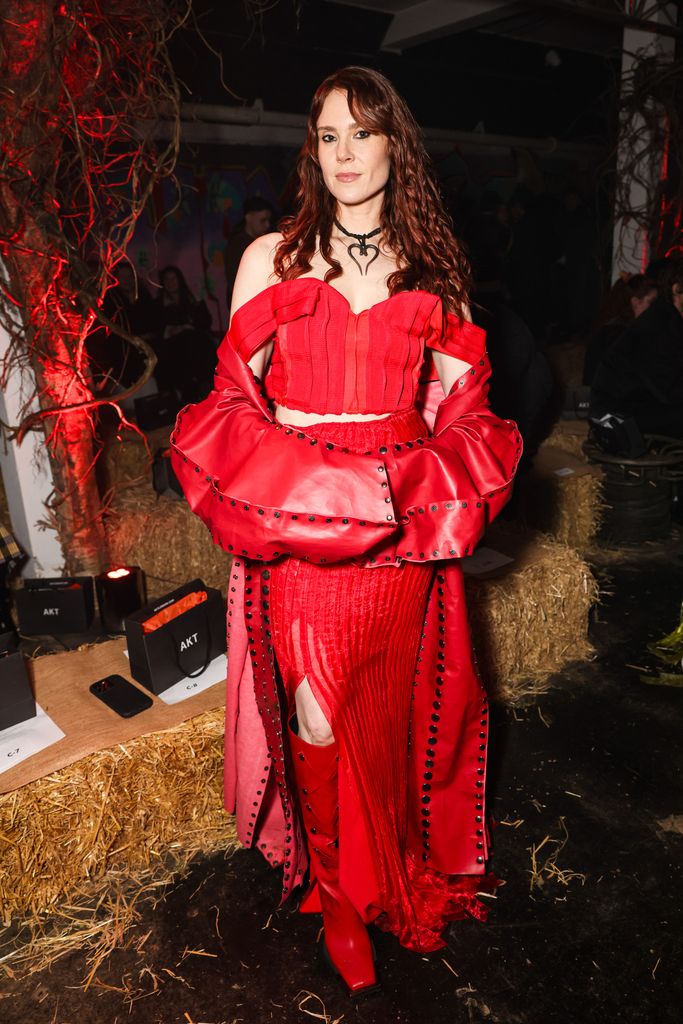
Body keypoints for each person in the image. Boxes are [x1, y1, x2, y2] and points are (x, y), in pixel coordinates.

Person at [170, 67, 521, 996]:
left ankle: (391, 871)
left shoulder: (433, 270)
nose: (344, 154)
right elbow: (230, 401)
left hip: (396, 537)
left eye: (362, 134)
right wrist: (299, 473)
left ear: (394, 146)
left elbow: (465, 411)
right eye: (327, 137)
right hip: (303, 530)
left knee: (387, 714)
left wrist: (423, 479)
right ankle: (333, 896)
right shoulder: (271, 260)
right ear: (311, 151)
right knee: (315, 708)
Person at [590, 257, 683, 439]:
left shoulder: (669, 320)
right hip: (618, 416)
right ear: (676, 290)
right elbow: (666, 386)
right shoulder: (659, 325)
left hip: (637, 403)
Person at [152, 265, 216, 404]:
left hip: (194, 345)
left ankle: (201, 386)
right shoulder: (158, 304)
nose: (170, 282)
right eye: (167, 279)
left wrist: (197, 308)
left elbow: (204, 322)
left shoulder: (191, 299)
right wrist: (174, 329)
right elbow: (158, 328)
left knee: (197, 343)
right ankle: (189, 391)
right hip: (173, 348)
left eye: (173, 278)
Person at [582, 273, 657, 386]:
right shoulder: (617, 334)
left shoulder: (617, 328)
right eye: (651, 303)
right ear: (636, 302)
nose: (656, 309)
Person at [224, 196, 274, 308]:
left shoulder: (256, 241)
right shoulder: (239, 245)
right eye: (262, 220)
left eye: (268, 220)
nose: (267, 225)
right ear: (248, 217)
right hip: (247, 305)